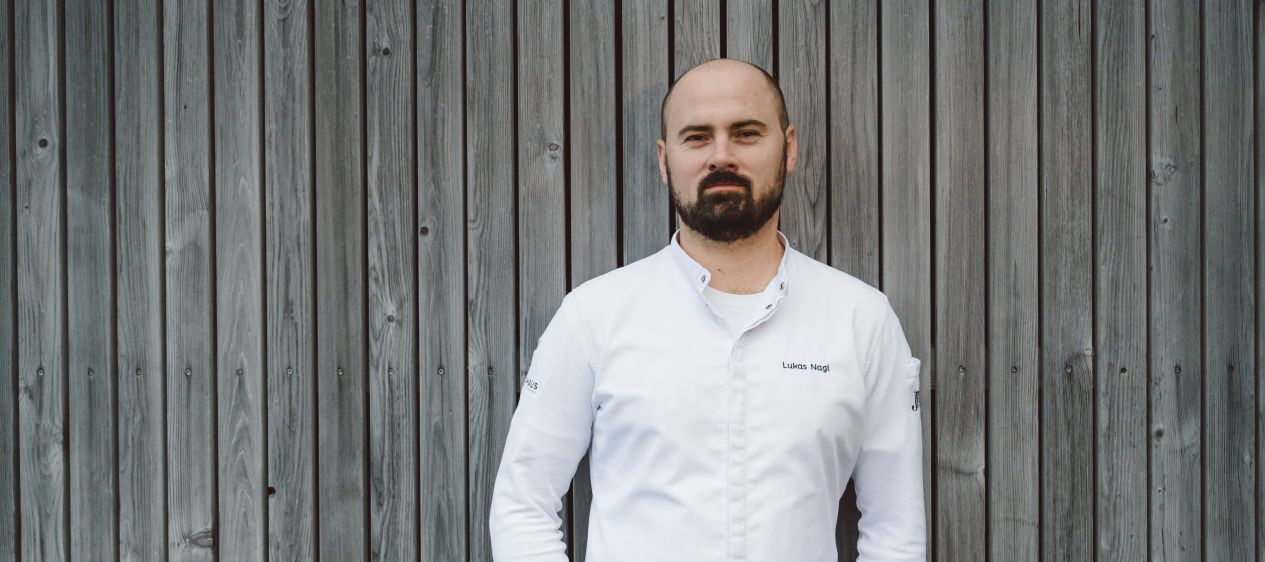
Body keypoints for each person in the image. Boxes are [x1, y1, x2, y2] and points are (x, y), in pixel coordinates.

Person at [489, 58, 925, 562]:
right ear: (664, 159)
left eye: (746, 133)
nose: (721, 156)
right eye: (697, 137)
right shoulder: (594, 317)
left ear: (788, 148)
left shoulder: (862, 321)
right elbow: (522, 503)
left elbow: (896, 529)